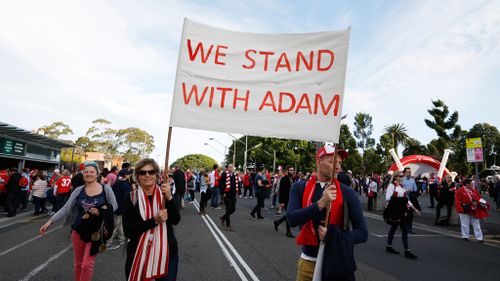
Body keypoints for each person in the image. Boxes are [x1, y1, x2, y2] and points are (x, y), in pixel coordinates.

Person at [288, 145, 368, 281]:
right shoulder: (299, 187)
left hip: (336, 263)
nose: (338, 168)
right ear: (318, 162)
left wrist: (331, 234)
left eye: (340, 163)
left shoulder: (347, 192)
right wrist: (321, 203)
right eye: (332, 162)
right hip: (308, 263)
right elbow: (292, 219)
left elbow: (362, 233)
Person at [40, 161, 117, 281]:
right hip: (78, 229)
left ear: (97, 174)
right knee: (78, 263)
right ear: (83, 174)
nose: (89, 174)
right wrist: (50, 222)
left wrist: (100, 211)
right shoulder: (78, 190)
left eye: (92, 172)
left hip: (96, 232)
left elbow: (114, 205)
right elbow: (66, 208)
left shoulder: (105, 189)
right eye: (86, 172)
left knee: (87, 264)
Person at [123, 158, 180, 281]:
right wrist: (154, 221)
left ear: (157, 175)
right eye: (142, 172)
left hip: (166, 252)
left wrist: (169, 198)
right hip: (138, 251)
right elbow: (128, 230)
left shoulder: (165, 194)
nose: (147, 175)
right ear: (137, 176)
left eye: (151, 172)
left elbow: (175, 220)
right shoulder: (131, 198)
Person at [384, 170, 420, 259]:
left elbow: (406, 200)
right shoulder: (392, 186)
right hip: (394, 211)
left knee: (403, 229)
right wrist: (398, 200)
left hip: (402, 211)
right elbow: (388, 198)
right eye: (400, 176)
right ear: (395, 177)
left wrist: (415, 209)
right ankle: (391, 247)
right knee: (394, 228)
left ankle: (405, 250)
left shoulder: (401, 187)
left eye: (402, 176)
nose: (402, 177)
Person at [455, 178, 489, 242]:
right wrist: (460, 209)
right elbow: (457, 201)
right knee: (465, 223)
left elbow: (479, 197)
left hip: (474, 209)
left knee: (476, 224)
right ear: (467, 184)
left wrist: (483, 203)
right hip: (464, 209)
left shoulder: (474, 190)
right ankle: (465, 236)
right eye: (471, 183)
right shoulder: (460, 191)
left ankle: (479, 238)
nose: (472, 184)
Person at [107, 169, 132, 250]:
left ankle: (121, 238)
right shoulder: (126, 186)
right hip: (121, 208)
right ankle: (108, 242)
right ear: (126, 175)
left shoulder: (116, 184)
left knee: (119, 224)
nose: (129, 176)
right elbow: (127, 199)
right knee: (115, 226)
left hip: (114, 207)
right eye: (128, 175)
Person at [274, 167, 294, 238]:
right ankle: (288, 232)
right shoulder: (284, 179)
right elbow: (281, 191)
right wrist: (281, 201)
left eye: (293, 170)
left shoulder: (293, 179)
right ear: (287, 171)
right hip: (286, 200)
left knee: (289, 214)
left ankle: (278, 222)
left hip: (292, 199)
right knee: (289, 214)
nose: (292, 171)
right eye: (290, 170)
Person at [219, 164, 239, 231]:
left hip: (233, 194)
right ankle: (228, 225)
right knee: (228, 208)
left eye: (232, 167)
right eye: (230, 167)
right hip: (226, 194)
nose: (231, 168)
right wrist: (223, 193)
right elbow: (221, 184)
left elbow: (237, 183)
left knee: (233, 209)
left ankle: (223, 217)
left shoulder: (235, 175)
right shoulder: (224, 174)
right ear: (227, 168)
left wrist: (239, 193)